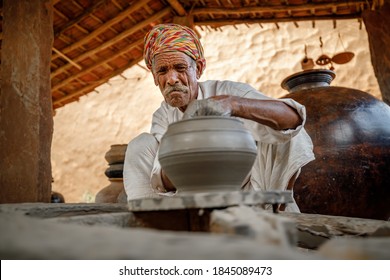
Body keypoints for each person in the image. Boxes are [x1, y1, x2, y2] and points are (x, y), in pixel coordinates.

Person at [123, 23, 315, 212]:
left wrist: (233, 105)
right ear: (156, 78)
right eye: (162, 71)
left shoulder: (230, 92)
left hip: (251, 194)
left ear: (197, 68)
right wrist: (193, 150)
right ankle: (149, 225)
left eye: (180, 67)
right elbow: (164, 180)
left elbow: (293, 119)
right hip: (195, 196)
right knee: (140, 145)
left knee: (284, 129)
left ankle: (277, 209)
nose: (172, 79)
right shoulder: (163, 115)